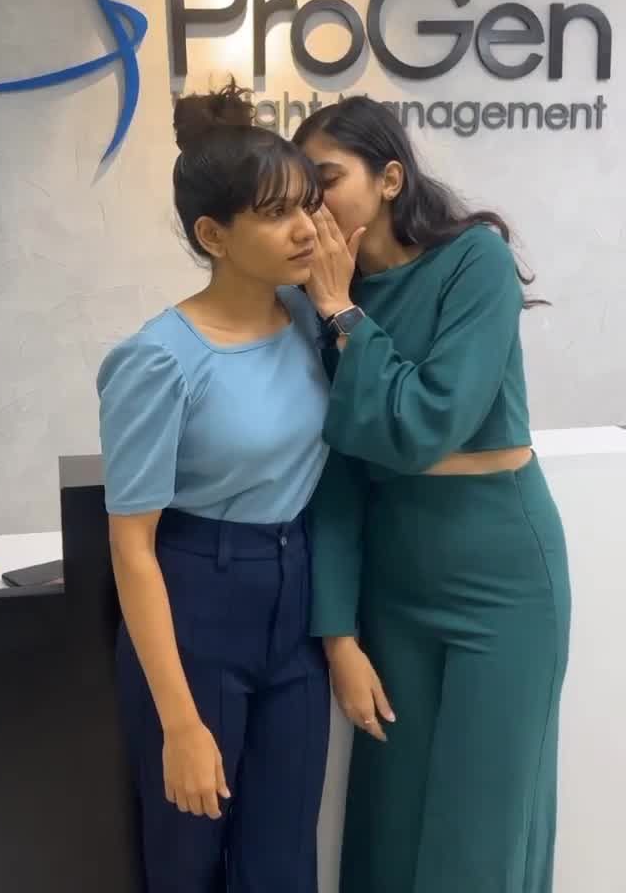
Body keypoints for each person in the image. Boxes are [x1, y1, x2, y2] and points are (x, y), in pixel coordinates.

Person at [292, 96, 571, 893]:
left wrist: (344, 315)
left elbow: (429, 422)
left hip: (502, 576)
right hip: (395, 585)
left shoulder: (473, 262)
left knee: (483, 824)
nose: (312, 206)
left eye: (326, 180)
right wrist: (338, 637)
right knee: (391, 819)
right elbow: (336, 474)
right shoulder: (315, 300)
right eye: (302, 189)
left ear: (389, 179)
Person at [96, 82, 332, 893]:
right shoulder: (158, 359)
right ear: (213, 235)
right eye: (277, 213)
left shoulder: (309, 320)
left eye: (307, 206)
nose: (306, 229)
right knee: (187, 859)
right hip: (197, 603)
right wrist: (180, 722)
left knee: (283, 859)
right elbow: (132, 546)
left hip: (294, 597)